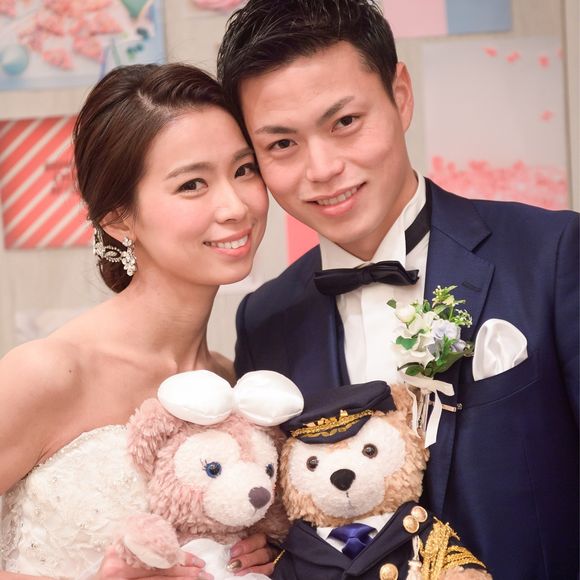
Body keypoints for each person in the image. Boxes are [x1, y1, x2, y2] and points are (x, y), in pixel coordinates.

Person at [216, 1, 580, 578]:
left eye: (344, 122)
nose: (322, 168)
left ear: (400, 96)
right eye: (282, 144)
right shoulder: (264, 321)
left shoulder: (551, 254)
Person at [0, 63, 277, 579]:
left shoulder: (232, 381)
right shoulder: (48, 373)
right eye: (192, 184)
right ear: (118, 217)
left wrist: (259, 555)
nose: (235, 205)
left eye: (243, 169)